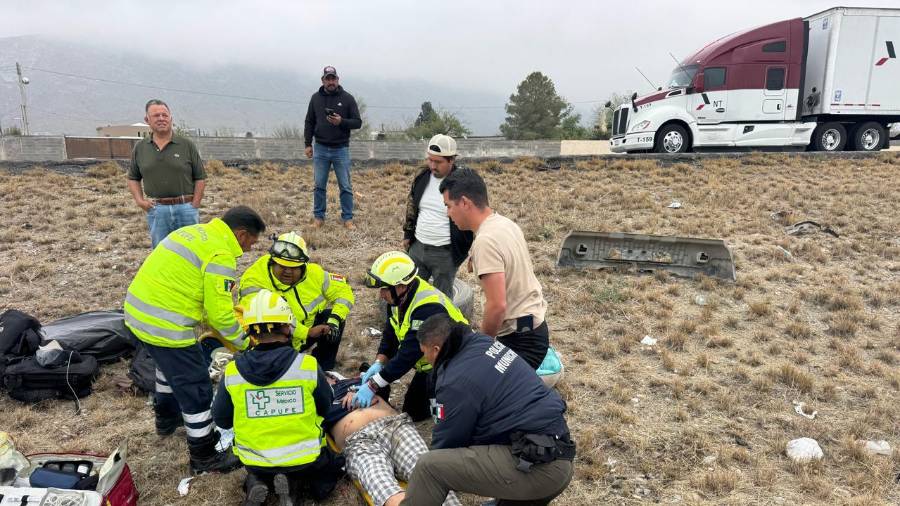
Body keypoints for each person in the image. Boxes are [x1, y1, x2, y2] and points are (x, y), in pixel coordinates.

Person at [123, 205, 265, 474]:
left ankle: (167, 419)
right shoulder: (221, 255)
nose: (249, 249)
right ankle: (204, 456)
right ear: (241, 233)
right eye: (251, 243)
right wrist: (247, 344)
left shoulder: (194, 233)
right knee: (197, 387)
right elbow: (220, 316)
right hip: (165, 324)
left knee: (168, 369)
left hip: (138, 314)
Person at [402, 314, 575, 505]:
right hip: (554, 451)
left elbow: (446, 444)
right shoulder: (483, 342)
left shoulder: (456, 381)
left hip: (538, 467)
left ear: (436, 349)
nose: (425, 358)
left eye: (424, 352)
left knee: (429, 467)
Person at [213, 289, 344, 505]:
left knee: (262, 467)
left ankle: (257, 481)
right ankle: (291, 487)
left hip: (255, 457)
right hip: (303, 456)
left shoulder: (233, 372)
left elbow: (222, 419)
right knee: (325, 468)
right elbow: (325, 406)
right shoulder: (307, 366)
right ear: (287, 326)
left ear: (250, 332)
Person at [439, 168, 550, 369]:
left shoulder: (486, 241)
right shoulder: (504, 223)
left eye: (448, 206)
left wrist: (483, 347)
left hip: (521, 339)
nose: (448, 214)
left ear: (464, 202)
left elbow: (497, 305)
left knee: (488, 387)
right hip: (533, 326)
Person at [350, 251, 467, 421]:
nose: (381, 294)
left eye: (384, 288)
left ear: (402, 286)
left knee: (425, 414)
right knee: (414, 410)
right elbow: (390, 334)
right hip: (429, 363)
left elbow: (408, 355)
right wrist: (379, 362)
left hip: (451, 365)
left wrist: (373, 385)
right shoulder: (399, 299)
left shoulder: (426, 308)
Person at [324, 376, 461, 506]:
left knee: (430, 475)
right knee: (385, 488)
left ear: (334, 377)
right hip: (359, 442)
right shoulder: (315, 400)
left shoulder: (359, 381)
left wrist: (365, 388)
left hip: (395, 426)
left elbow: (384, 383)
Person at [237, 231, 354, 371]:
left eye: (293, 268)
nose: (287, 272)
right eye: (282, 266)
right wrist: (307, 332)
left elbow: (343, 291)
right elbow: (265, 320)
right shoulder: (255, 279)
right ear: (272, 262)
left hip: (303, 334)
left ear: (303, 265)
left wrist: (333, 321)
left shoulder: (314, 273)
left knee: (331, 318)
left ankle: (324, 370)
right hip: (270, 337)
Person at [126, 99, 206, 247]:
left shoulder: (186, 145)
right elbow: (133, 177)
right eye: (156, 115)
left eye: (165, 115)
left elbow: (200, 177)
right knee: (162, 253)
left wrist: (194, 204)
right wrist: (140, 201)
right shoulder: (140, 148)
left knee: (192, 252)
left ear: (171, 118)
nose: (161, 118)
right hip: (157, 210)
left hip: (186, 208)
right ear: (147, 120)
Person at [402, 134, 474, 297]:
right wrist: (408, 234)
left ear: (451, 160)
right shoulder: (422, 176)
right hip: (417, 248)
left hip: (445, 254)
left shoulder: (463, 183)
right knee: (409, 293)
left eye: (438, 162)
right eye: (430, 160)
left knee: (442, 301)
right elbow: (412, 204)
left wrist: (473, 250)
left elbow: (475, 217)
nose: (432, 166)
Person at [303, 66, 362, 230]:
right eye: (327, 79)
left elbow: (357, 122)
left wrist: (341, 121)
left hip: (341, 149)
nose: (331, 82)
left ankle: (348, 219)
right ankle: (319, 217)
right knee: (319, 185)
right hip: (320, 148)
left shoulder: (348, 98)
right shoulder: (315, 98)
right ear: (322, 80)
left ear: (338, 80)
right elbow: (309, 122)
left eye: (333, 79)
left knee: (345, 186)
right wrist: (308, 144)